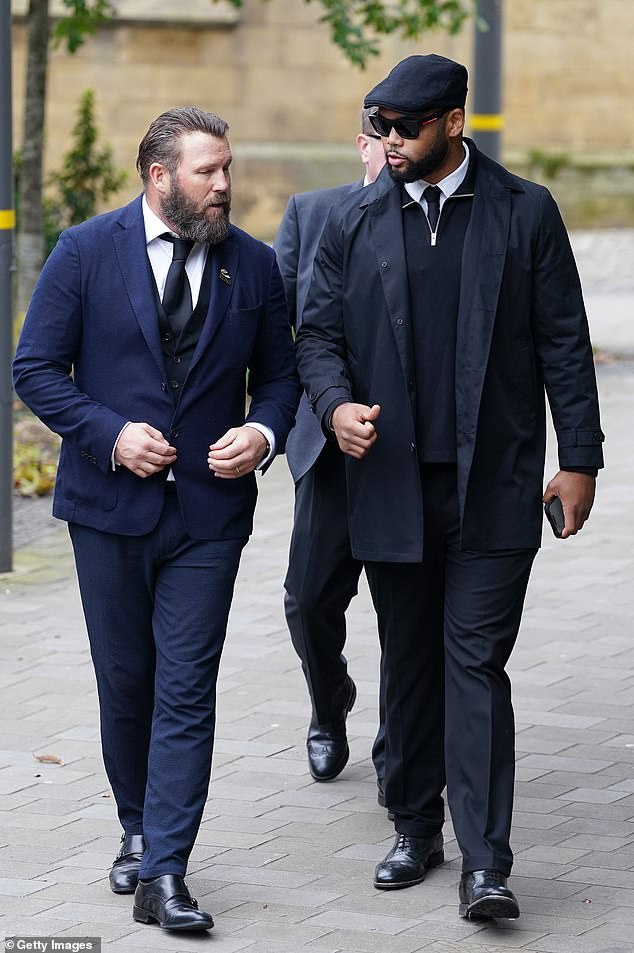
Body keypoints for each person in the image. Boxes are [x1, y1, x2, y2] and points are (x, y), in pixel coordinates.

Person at [295, 54, 604, 920]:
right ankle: (413, 824)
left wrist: (579, 459)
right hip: (390, 484)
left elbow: (564, 340)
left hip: (494, 483)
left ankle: (487, 864)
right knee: (410, 661)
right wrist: (335, 406)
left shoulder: (525, 211)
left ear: (453, 123)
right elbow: (316, 336)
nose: (389, 141)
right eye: (381, 127)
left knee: (475, 664)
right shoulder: (352, 220)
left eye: (407, 127)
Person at [13, 107, 300, 932]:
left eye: (227, 168)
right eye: (208, 171)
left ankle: (165, 870)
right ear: (159, 176)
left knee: (186, 687)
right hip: (107, 512)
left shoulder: (254, 264)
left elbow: (281, 378)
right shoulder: (84, 251)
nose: (224, 185)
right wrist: (110, 434)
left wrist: (262, 430)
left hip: (209, 517)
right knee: (126, 682)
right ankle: (136, 826)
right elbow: (35, 368)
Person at [275, 108, 388, 796]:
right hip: (326, 447)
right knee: (308, 599)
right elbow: (280, 326)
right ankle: (329, 698)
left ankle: (400, 740)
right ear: (362, 147)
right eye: (381, 140)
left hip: (408, 451)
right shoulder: (312, 213)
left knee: (408, 611)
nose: (393, 150)